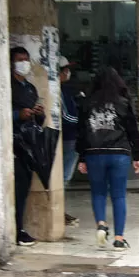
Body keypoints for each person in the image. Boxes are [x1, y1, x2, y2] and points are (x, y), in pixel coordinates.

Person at [76, 67, 139, 251]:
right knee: (119, 195)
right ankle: (119, 238)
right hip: (118, 153)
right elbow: (132, 131)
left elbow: (82, 132)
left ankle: (101, 224)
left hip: (94, 153)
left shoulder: (87, 103)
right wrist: (137, 155)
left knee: (98, 192)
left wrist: (82, 157)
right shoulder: (123, 103)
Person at [10, 46, 43, 247]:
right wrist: (17, 115)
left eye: (26, 59)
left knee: (24, 188)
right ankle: (16, 229)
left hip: (28, 144)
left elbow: (39, 119)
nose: (24, 63)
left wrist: (38, 114)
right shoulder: (7, 86)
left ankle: (19, 227)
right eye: (20, 59)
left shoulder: (30, 88)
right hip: (13, 142)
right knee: (16, 188)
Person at [58, 57, 82, 226]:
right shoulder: (57, 91)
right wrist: (82, 120)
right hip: (67, 137)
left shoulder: (65, 91)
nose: (68, 72)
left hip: (71, 137)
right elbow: (66, 117)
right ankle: (59, 211)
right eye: (65, 69)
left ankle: (61, 210)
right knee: (64, 176)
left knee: (66, 176)